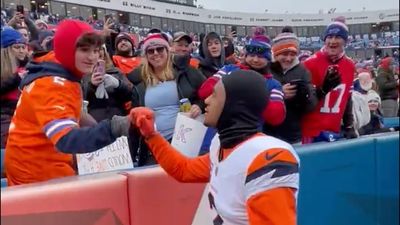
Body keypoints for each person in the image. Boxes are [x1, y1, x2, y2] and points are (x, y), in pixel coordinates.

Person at [130, 70, 300, 225]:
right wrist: (151, 135)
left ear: (234, 104)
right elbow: (184, 170)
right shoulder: (221, 144)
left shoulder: (268, 158)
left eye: (214, 95)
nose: (206, 100)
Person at [4, 19, 134, 186]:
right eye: (84, 50)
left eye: (96, 50)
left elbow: (75, 113)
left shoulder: (56, 66)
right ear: (66, 49)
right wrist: (117, 126)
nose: (92, 57)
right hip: (37, 176)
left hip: (34, 167)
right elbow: (66, 139)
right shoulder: (53, 83)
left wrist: (97, 127)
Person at [128, 33, 205, 166]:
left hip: (183, 141)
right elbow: (134, 119)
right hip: (153, 145)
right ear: (146, 55)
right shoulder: (137, 79)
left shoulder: (186, 72)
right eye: (150, 51)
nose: (155, 53)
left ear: (167, 50)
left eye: (160, 49)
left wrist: (199, 105)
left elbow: (209, 93)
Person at [302, 18, 357, 143]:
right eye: (329, 37)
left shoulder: (349, 65)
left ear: (345, 41)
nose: (332, 41)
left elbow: (347, 98)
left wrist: (349, 125)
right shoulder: (310, 64)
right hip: (310, 131)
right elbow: (305, 101)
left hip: (333, 130)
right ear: (324, 39)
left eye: (338, 37)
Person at [267, 31, 318, 144]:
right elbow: (256, 99)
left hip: (292, 134)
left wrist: (305, 96)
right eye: (284, 54)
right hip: (268, 133)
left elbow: (311, 106)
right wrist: (279, 94)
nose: (289, 59)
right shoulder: (265, 68)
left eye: (293, 54)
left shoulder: (302, 71)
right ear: (275, 53)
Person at [82, 44, 132, 122]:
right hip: (94, 121)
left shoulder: (116, 71)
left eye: (100, 49)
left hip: (118, 119)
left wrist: (118, 84)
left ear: (105, 52)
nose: (98, 52)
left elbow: (130, 94)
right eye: (94, 50)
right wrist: (92, 86)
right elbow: (81, 97)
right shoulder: (84, 75)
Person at [0, 28, 26, 149]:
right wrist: (16, 79)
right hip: (6, 117)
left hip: (24, 115)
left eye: (23, 47)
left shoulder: (29, 66)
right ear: (7, 50)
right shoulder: (4, 70)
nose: (21, 51)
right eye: (17, 47)